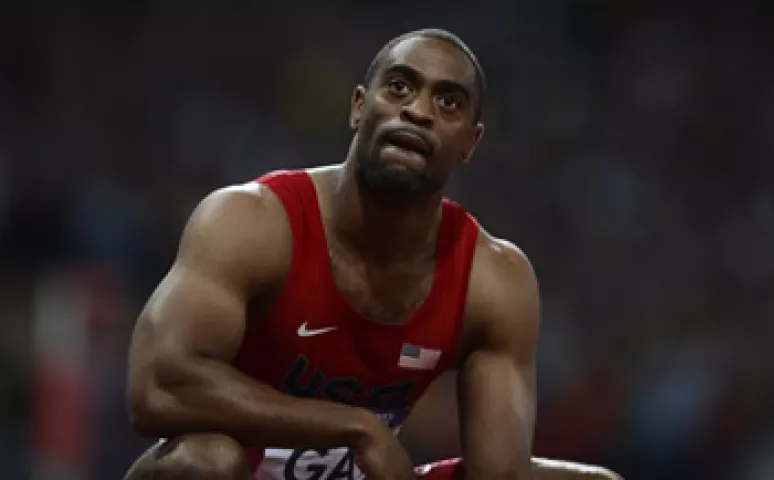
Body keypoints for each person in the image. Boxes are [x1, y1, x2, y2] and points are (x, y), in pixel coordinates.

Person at [124, 28, 622, 480]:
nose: (419, 111)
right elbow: (157, 389)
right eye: (400, 87)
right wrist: (357, 429)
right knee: (203, 463)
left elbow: (499, 474)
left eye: (448, 102)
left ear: (470, 143)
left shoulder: (493, 279)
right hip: (238, 471)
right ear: (359, 107)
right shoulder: (251, 221)